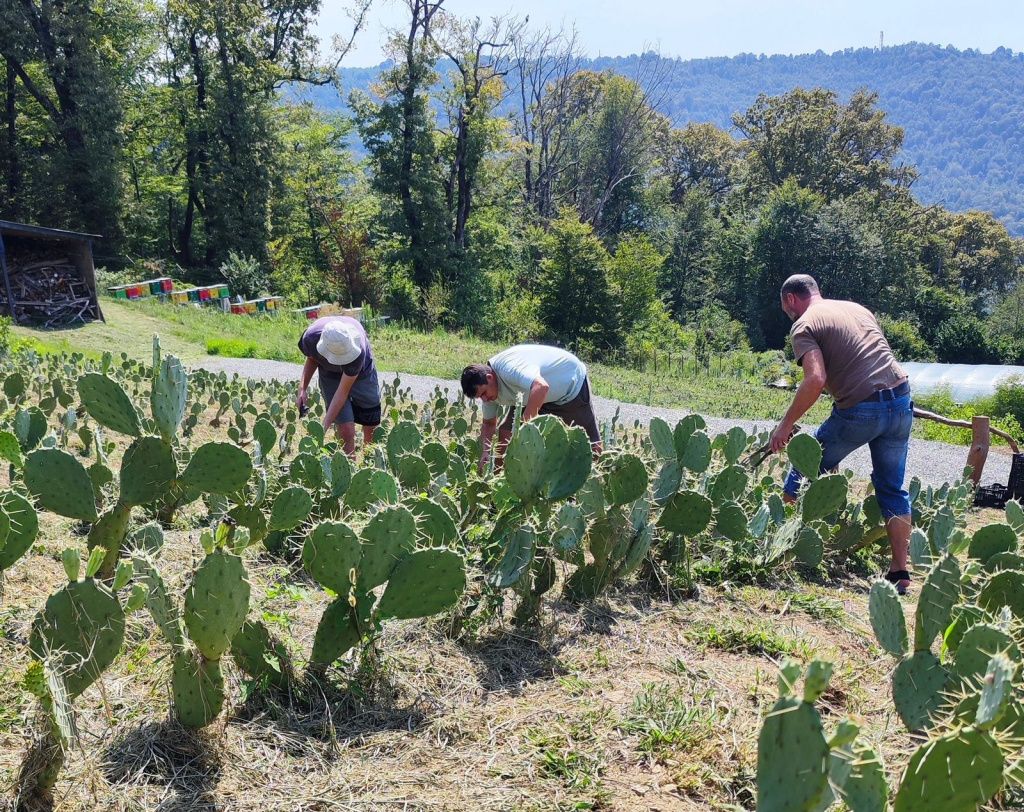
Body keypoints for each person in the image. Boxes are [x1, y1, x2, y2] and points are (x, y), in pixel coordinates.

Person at [769, 274, 913, 594]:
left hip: (862, 408)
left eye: (785, 309)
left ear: (791, 299)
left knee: (805, 467)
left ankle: (776, 544)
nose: (788, 315)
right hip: (901, 400)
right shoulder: (857, 308)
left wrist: (785, 425)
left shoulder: (804, 324)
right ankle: (900, 571)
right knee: (891, 487)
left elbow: (815, 379)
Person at [461, 344, 603, 472]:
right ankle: (499, 487)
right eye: (480, 397)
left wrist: (525, 426)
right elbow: (489, 423)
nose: (484, 400)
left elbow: (541, 386)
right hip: (529, 395)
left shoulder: (510, 369)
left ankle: (588, 483)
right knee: (506, 432)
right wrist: (485, 452)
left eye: (484, 393)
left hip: (568, 388)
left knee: (591, 445)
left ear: (490, 377)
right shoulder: (489, 392)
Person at [297, 315, 380, 458]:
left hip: (362, 374)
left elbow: (342, 393)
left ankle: (370, 464)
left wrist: (323, 428)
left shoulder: (358, 352)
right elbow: (311, 358)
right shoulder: (310, 338)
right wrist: (302, 389)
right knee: (345, 428)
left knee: (371, 424)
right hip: (329, 374)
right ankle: (349, 468)